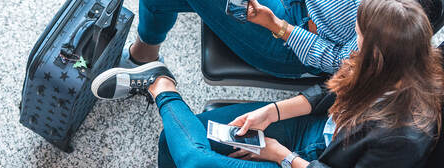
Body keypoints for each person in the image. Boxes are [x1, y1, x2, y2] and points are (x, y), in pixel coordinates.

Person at [92, 0, 443, 168]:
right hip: (320, 127)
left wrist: (282, 155)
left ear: (379, 56)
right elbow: (334, 89)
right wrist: (272, 111)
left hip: (315, 158)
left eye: (359, 35)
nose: (355, 38)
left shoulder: (404, 137)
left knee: (195, 159)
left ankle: (160, 83)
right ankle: (156, 77)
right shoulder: (395, 64)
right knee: (172, 141)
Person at [124, 0, 439, 79]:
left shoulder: (402, 21)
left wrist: (279, 26)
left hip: (291, 43)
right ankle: (144, 59)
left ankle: (143, 59)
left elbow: (336, 62)